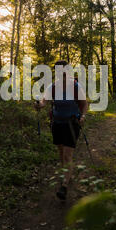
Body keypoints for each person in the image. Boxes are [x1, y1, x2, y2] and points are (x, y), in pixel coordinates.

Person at [34, 60, 88, 200]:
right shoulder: (52, 87)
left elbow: (84, 103)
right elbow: (44, 101)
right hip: (57, 124)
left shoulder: (75, 86)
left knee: (67, 155)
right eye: (58, 71)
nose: (61, 73)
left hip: (72, 124)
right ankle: (66, 173)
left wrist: (83, 116)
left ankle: (64, 185)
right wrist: (39, 105)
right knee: (61, 152)